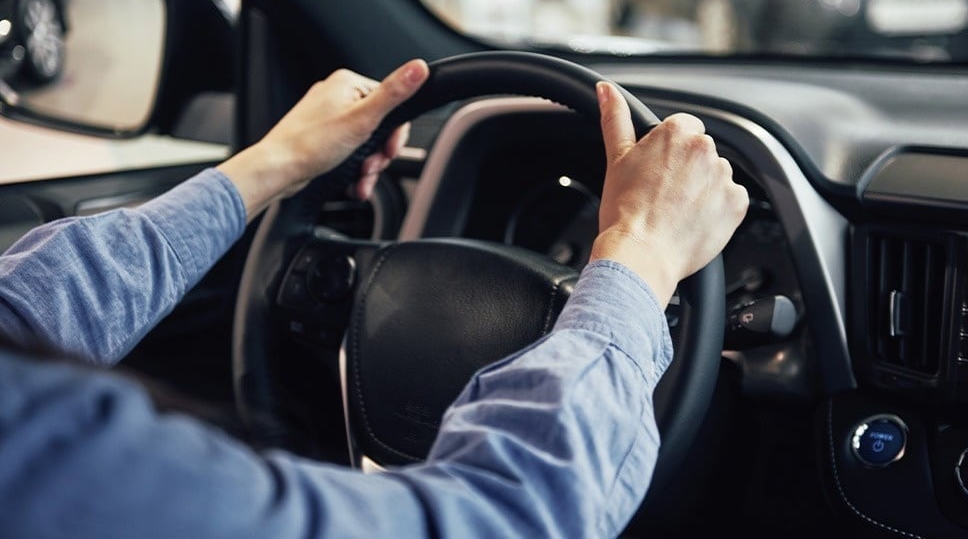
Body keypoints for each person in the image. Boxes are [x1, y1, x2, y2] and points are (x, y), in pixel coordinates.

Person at [0, 58, 748, 538]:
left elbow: (25, 311)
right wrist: (639, 256)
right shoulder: (50, 464)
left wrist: (277, 164)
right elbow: (500, 518)